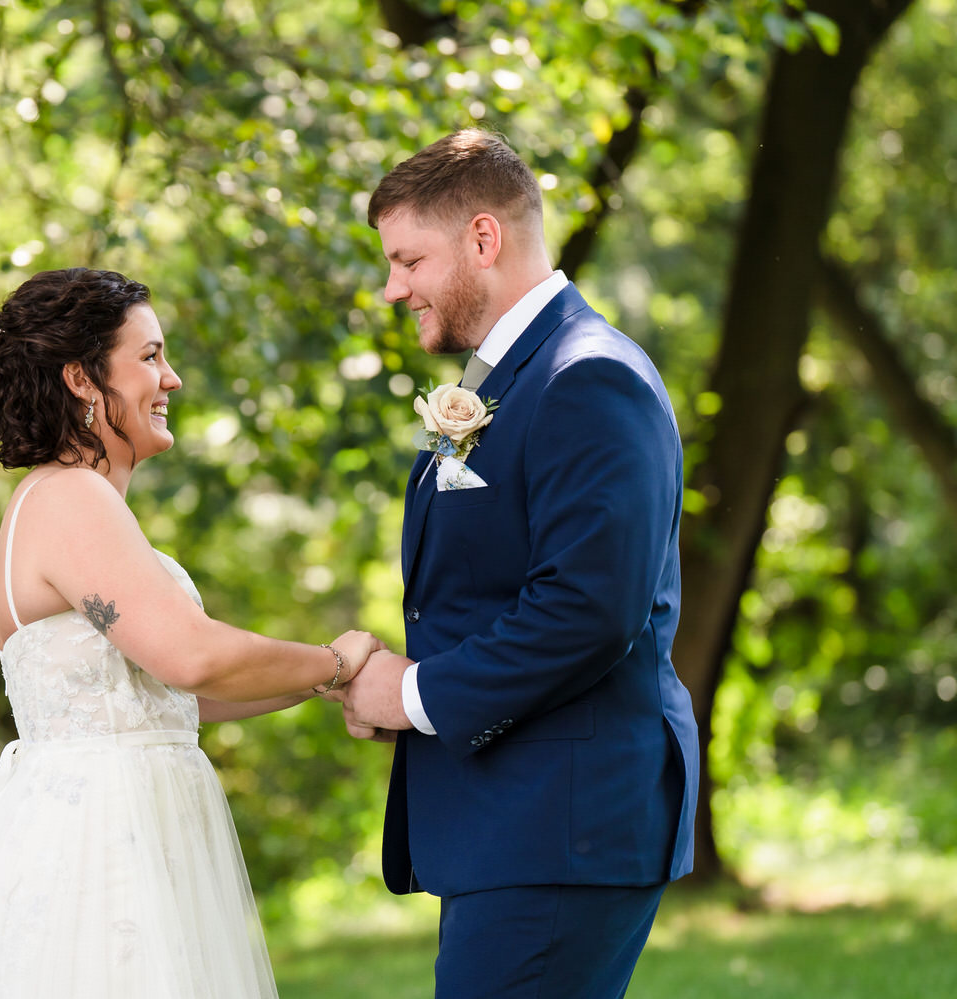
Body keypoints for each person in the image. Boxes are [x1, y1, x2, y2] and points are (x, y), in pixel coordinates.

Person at [0, 266, 379, 999]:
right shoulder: (68, 498)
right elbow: (194, 655)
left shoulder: (82, 506)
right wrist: (337, 659)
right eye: (149, 356)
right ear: (81, 378)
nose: (170, 378)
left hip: (139, 836)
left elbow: (180, 694)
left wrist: (322, 686)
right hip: (97, 858)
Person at [339, 129, 701, 997]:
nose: (393, 289)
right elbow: (487, 589)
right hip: (521, 823)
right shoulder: (517, 378)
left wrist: (415, 694)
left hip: (563, 826)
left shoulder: (588, 377)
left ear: (484, 238)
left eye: (408, 260)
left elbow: (586, 610)